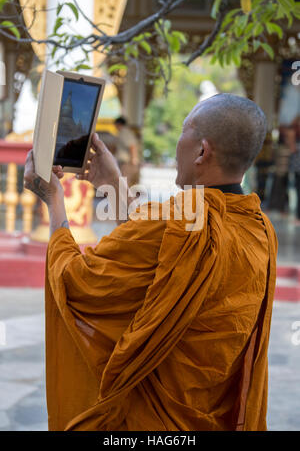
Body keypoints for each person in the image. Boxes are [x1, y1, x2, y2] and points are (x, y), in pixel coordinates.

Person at [24, 93, 277, 431]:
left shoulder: (174, 222)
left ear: (202, 150)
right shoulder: (258, 228)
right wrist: (111, 183)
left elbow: (77, 282)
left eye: (184, 131)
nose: (177, 143)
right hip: (217, 417)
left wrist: (54, 202)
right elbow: (156, 251)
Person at [114, 116, 139, 186]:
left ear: (119, 124)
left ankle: (124, 196)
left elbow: (132, 146)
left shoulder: (124, 132)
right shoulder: (124, 132)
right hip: (125, 162)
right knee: (124, 183)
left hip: (127, 163)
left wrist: (134, 159)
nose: (115, 127)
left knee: (125, 183)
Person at [289, 116, 300, 225]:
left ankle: (298, 217)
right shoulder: (294, 134)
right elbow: (292, 149)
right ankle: (298, 216)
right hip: (297, 168)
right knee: (297, 191)